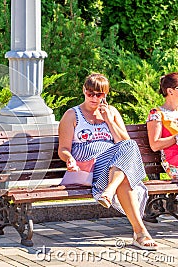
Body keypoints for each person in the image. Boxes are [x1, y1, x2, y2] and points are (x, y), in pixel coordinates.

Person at [58, 73, 158, 250]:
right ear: (83, 90)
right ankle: (139, 232)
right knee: (124, 174)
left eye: (100, 94)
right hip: (90, 166)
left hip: (112, 167)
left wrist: (109, 121)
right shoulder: (72, 115)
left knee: (125, 165)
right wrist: (69, 159)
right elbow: (63, 149)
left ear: (106, 94)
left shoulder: (111, 112)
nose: (94, 98)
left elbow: (125, 143)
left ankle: (114, 197)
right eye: (90, 93)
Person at [147, 72, 178, 179]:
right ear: (170, 91)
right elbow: (155, 145)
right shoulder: (156, 114)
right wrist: (176, 138)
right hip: (174, 162)